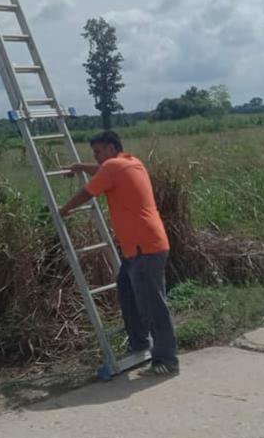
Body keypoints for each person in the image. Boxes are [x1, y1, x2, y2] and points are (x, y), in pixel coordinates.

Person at [58, 130, 179, 376]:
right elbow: (104, 171)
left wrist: (64, 210)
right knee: (127, 292)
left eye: (100, 152)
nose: (98, 157)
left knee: (152, 305)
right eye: (95, 154)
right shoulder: (130, 163)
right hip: (141, 246)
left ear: (112, 148)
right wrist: (81, 166)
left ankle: (166, 359)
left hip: (143, 247)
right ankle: (140, 344)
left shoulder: (113, 167)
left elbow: (87, 192)